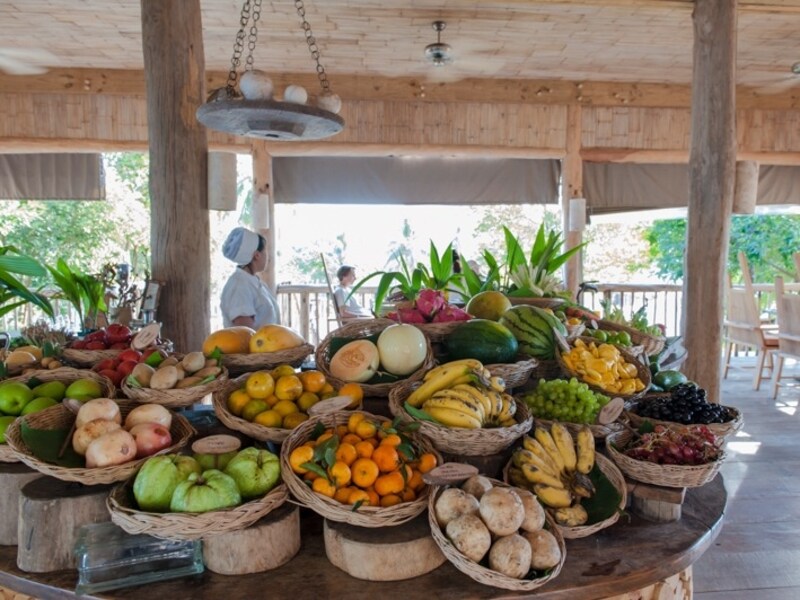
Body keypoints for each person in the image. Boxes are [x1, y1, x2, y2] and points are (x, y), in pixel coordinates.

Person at [220, 227, 281, 329]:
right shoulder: (239, 286)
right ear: (257, 255)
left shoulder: (252, 281)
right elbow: (244, 332)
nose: (268, 256)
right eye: (265, 251)